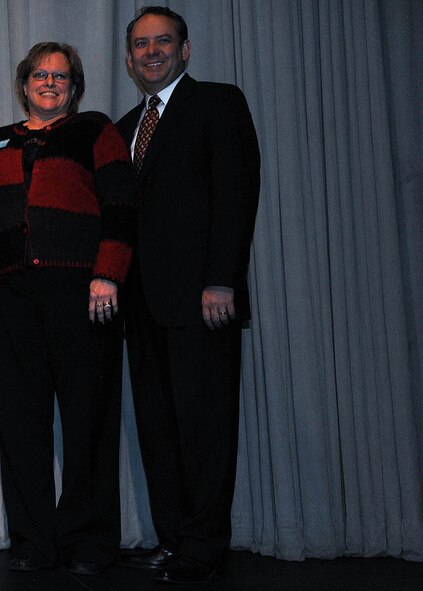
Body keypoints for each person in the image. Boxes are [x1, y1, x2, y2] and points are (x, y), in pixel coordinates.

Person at [0, 42, 134, 576]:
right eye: (40, 74)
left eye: (60, 76)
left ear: (74, 86)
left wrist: (107, 273)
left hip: (82, 293)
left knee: (89, 420)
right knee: (22, 422)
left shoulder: (96, 131)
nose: (49, 83)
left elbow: (122, 208)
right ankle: (34, 544)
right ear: (24, 83)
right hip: (14, 294)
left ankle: (91, 544)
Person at [115, 6, 261, 585]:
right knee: (158, 426)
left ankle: (204, 545)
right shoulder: (126, 126)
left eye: (163, 41)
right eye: (142, 45)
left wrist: (221, 278)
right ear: (129, 59)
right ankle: (175, 540)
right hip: (141, 305)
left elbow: (236, 194)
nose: (152, 51)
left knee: (204, 425)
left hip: (203, 300)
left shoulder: (219, 104)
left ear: (185, 49)